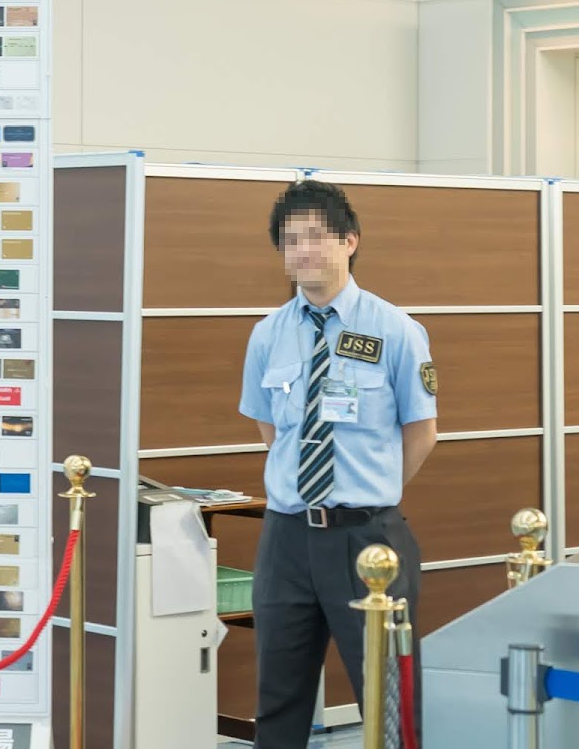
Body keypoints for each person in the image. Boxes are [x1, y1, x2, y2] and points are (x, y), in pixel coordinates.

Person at [239, 180, 438, 748]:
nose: (302, 251)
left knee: (390, 699)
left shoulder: (395, 329)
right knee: (278, 697)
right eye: (289, 240)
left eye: (316, 237)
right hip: (286, 540)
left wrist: (371, 497)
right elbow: (270, 429)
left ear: (349, 241)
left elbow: (421, 433)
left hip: (368, 542)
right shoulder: (267, 334)